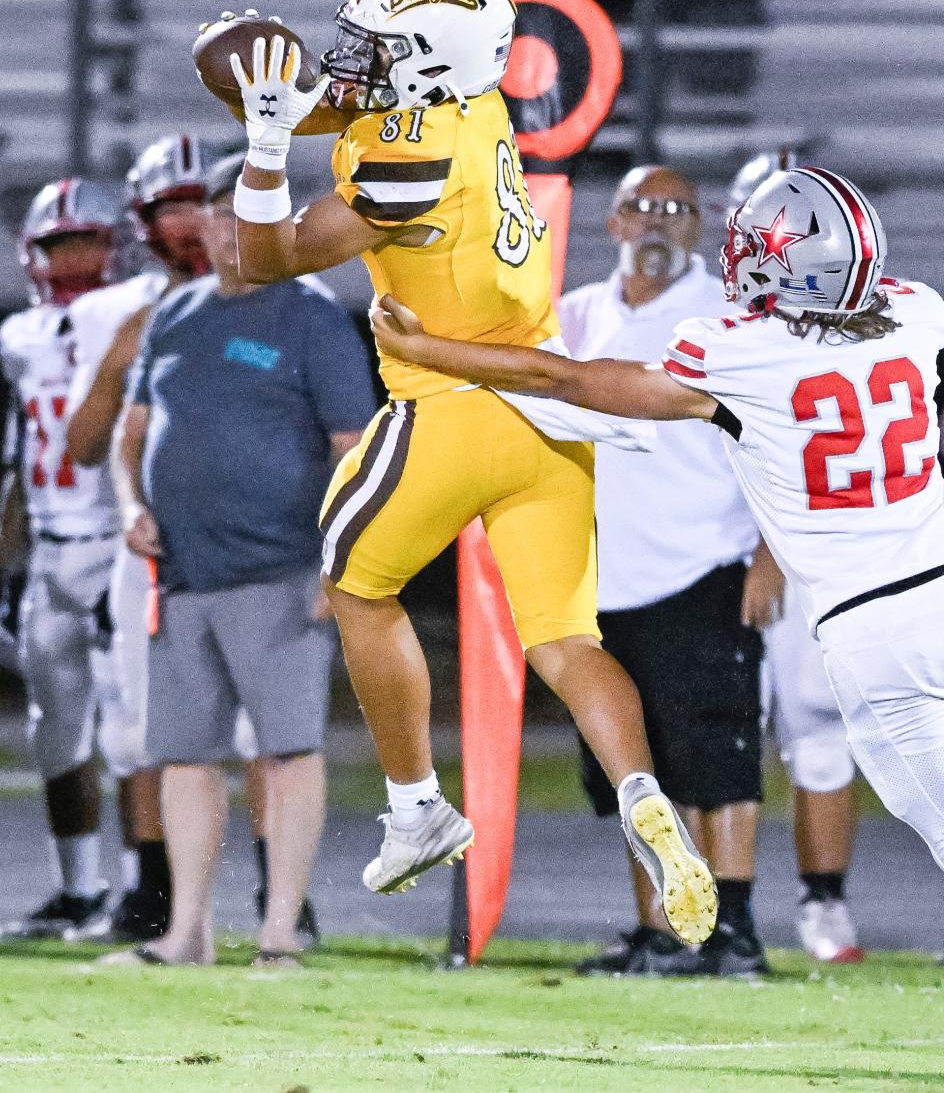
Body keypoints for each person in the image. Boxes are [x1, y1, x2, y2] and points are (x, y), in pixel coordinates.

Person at [218, 0, 717, 945]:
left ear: (426, 61)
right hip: (547, 422)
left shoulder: (403, 160)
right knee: (569, 644)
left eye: (381, 45)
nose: (358, 58)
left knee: (356, 584)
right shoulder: (477, 106)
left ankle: (418, 807)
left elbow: (256, 258)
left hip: (450, 404)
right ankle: (643, 789)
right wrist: (267, 90)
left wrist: (266, 150)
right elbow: (357, 98)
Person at [371, 165, 944, 886]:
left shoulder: (741, 353)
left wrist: (427, 353)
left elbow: (567, 381)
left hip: (873, 632)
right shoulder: (920, 313)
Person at [114, 153, 375, 965]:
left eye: (249, 215)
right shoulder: (178, 312)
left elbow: (355, 447)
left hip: (280, 569)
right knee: (184, 758)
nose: (230, 228)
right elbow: (132, 436)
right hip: (183, 575)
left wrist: (342, 559)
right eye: (221, 213)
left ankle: (278, 932)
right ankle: (186, 931)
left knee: (287, 750)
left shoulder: (313, 316)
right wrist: (132, 509)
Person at [561, 166, 782, 977]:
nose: (657, 222)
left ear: (700, 228)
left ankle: (735, 932)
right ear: (613, 223)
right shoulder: (574, 314)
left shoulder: (731, 320)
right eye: (640, 208)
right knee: (633, 765)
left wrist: (768, 553)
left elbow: (773, 443)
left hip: (704, 562)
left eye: (676, 209)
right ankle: (663, 930)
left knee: (717, 755)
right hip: (596, 577)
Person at [65, 135, 273, 943]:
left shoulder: (283, 299)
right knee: (144, 727)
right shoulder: (108, 316)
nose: (191, 225)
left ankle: (279, 901)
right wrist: (120, 368)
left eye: (203, 205)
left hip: (255, 543)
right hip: (149, 547)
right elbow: (83, 446)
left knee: (265, 729)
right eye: (173, 207)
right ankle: (154, 898)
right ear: (143, 222)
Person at [731, 150, 864, 963]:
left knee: (823, 731)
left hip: (812, 554)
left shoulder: (855, 323)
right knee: (717, 738)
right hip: (697, 557)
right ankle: (718, 909)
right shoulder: (699, 313)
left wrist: (771, 548)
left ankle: (822, 903)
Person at [0, 178, 125, 940]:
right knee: (55, 731)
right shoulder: (21, 337)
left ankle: (144, 895)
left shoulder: (136, 316)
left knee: (133, 733)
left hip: (116, 544)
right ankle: (79, 890)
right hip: (52, 550)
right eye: (55, 244)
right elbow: (20, 455)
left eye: (85, 241)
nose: (70, 258)